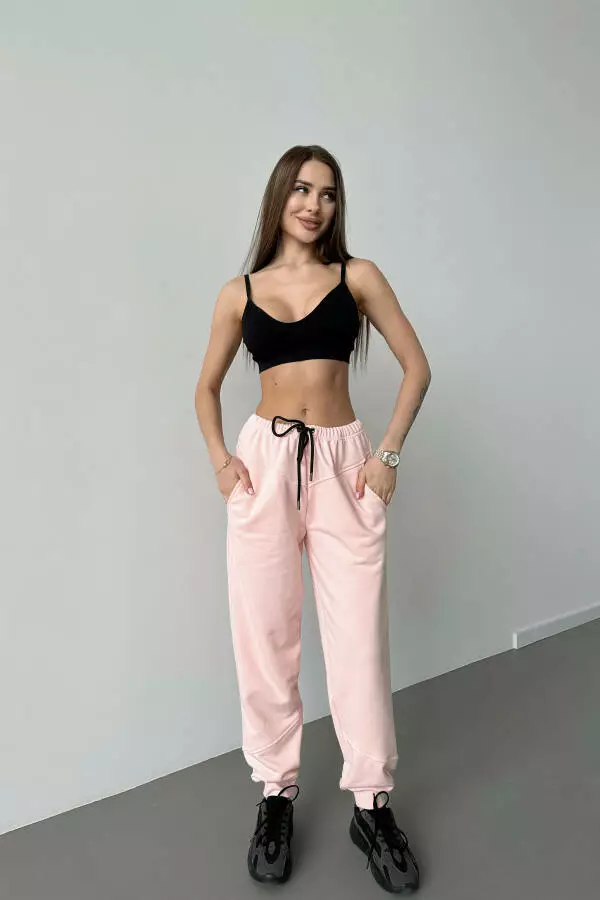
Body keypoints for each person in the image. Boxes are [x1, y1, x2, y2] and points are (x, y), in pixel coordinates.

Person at [194, 144, 431, 893]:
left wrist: (386, 455)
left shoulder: (357, 278)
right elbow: (205, 388)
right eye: (302, 189)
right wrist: (222, 461)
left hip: (342, 464)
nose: (314, 205)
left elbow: (417, 365)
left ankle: (372, 805)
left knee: (357, 640)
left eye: (328, 194)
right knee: (265, 634)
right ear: (279, 197)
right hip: (264, 464)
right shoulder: (239, 292)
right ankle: (276, 795)